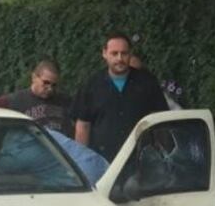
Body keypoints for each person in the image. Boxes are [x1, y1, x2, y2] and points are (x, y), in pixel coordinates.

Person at [72, 32, 169, 162]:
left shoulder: (147, 83)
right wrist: (81, 160)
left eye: (124, 53)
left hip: (141, 160)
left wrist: (164, 156)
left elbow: (161, 120)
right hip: (103, 162)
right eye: (114, 53)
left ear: (130, 54)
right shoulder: (91, 85)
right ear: (104, 53)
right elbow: (83, 126)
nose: (119, 58)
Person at [0, 60, 73, 135]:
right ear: (34, 77)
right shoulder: (17, 100)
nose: (50, 89)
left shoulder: (65, 101)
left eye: (54, 85)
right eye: (46, 83)